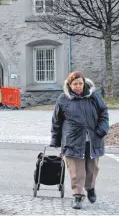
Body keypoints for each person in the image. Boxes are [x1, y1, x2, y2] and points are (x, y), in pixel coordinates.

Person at [50, 71, 109, 209]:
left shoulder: (94, 96)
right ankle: (77, 196)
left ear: (84, 83)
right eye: (74, 84)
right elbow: (56, 121)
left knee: (92, 168)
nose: (78, 86)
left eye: (80, 83)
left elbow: (104, 113)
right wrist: (55, 139)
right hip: (72, 139)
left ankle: (90, 188)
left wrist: (102, 130)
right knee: (76, 170)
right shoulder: (63, 99)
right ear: (69, 85)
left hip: (93, 138)